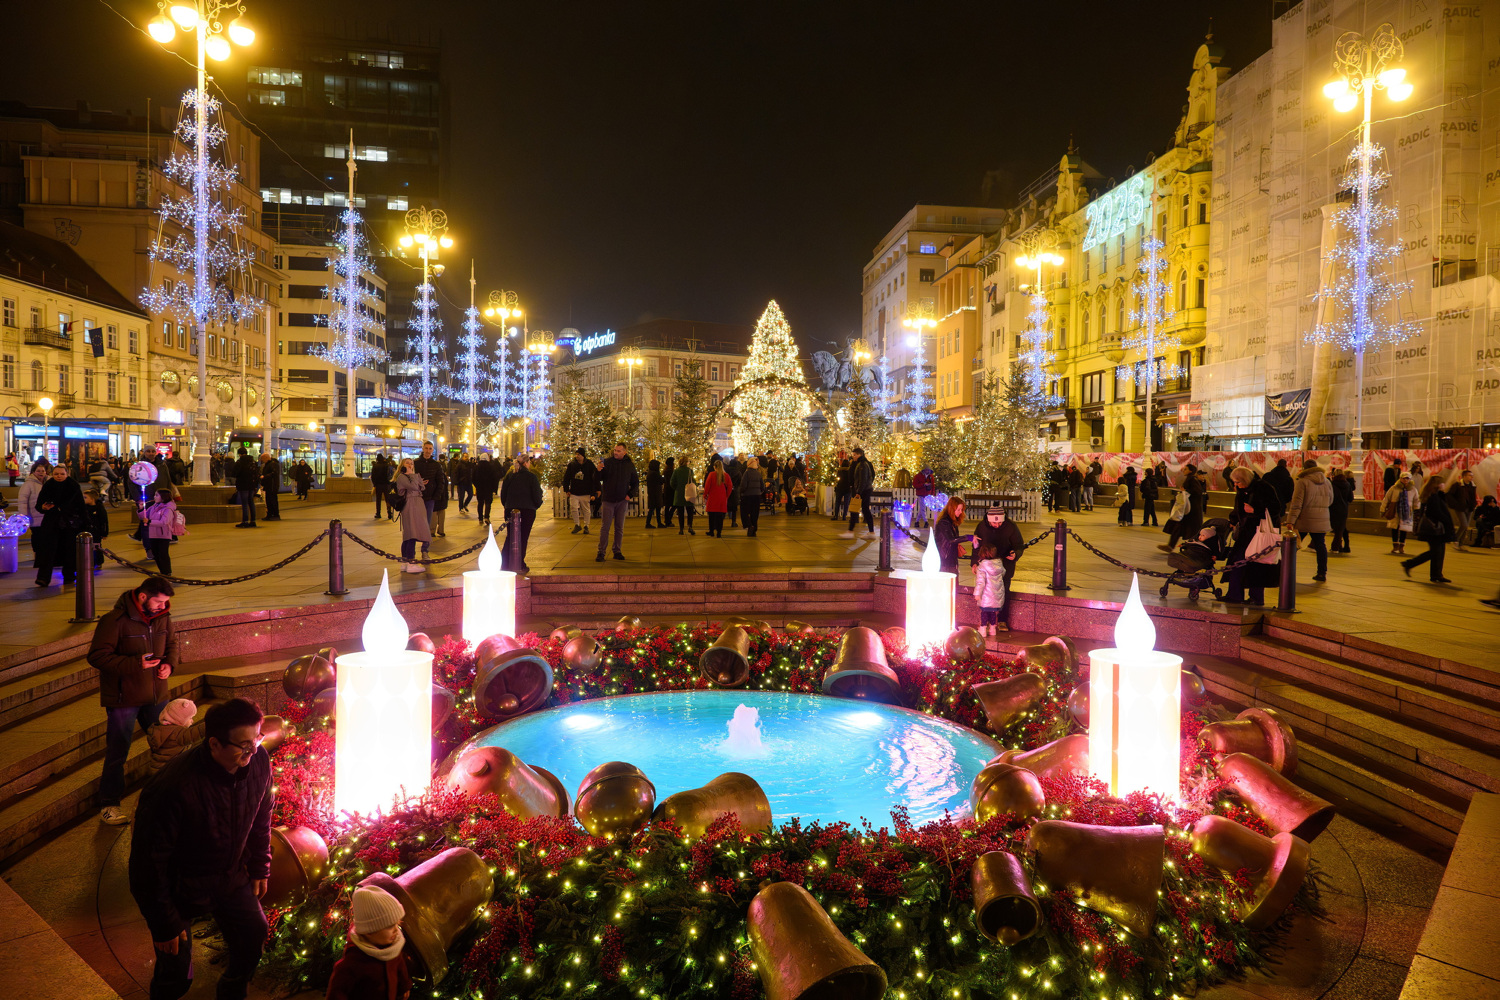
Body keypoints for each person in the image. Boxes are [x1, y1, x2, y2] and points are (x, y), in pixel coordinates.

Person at [128, 697, 271, 1000]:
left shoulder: (258, 760)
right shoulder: (173, 787)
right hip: (179, 889)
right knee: (176, 973)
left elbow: (261, 814)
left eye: (257, 739)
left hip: (229, 876)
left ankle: (231, 993)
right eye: (244, 745)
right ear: (214, 743)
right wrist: (164, 923)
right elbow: (148, 863)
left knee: (253, 934)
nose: (253, 750)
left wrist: (260, 864)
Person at [87, 576, 178, 825]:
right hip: (123, 697)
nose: (163, 606)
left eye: (165, 602)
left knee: (168, 745)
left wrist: (170, 664)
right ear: (143, 597)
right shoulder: (114, 620)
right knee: (118, 751)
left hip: (156, 695)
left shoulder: (163, 617)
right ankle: (109, 803)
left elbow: (172, 643)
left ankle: (170, 797)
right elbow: (97, 657)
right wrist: (136, 663)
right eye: (159, 602)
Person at [325, 884, 414, 1000]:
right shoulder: (352, 964)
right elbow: (337, 992)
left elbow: (399, 966)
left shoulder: (392, 947)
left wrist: (404, 986)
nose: (396, 930)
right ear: (370, 931)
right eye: (389, 926)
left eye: (396, 924)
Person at [1222, 467, 1282, 607]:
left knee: (1256, 564)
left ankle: (1255, 597)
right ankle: (1235, 595)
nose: (1236, 485)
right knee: (1238, 562)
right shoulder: (1242, 490)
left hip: (1259, 533)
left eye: (1238, 482)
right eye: (1234, 482)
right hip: (1246, 532)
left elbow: (1276, 509)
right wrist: (1233, 521)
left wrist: (1255, 510)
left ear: (1245, 480)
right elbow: (1238, 508)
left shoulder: (1264, 488)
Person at [35, 463, 85, 587]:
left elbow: (81, 506)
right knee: (48, 550)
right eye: (56, 474)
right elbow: (39, 504)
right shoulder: (48, 485)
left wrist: (85, 522)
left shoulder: (73, 486)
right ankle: (43, 578)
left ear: (67, 474)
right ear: (52, 474)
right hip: (51, 522)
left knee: (69, 550)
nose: (59, 476)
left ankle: (69, 575)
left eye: (62, 474)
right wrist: (43, 507)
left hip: (69, 523)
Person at [1283, 459, 1332, 582]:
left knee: (1292, 546)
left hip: (1304, 519)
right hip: (1322, 518)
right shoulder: (1327, 482)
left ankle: (1285, 572)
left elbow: (1296, 503)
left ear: (1305, 469)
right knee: (1320, 545)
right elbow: (1331, 500)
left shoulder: (1302, 482)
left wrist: (1290, 521)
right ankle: (1322, 573)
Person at [1403, 479, 1454, 584]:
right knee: (1436, 552)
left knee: (1438, 552)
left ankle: (1436, 575)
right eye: (1442, 483)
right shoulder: (1433, 497)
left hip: (1435, 529)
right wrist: (1447, 521)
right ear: (1437, 484)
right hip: (1434, 529)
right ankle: (1410, 564)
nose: (1444, 484)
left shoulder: (1435, 495)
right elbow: (1437, 512)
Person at [499, 453, 544, 573]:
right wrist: (536, 505)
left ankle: (505, 563)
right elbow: (537, 495)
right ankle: (519, 563)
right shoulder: (531, 477)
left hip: (511, 509)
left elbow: (503, 494)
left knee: (510, 537)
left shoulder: (510, 476)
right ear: (526, 463)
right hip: (527, 510)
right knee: (523, 537)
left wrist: (507, 506)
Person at [595, 442, 639, 562]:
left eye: (619, 451)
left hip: (621, 500)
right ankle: (601, 552)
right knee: (605, 527)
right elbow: (597, 478)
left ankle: (617, 550)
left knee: (619, 527)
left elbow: (635, 482)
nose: (616, 452)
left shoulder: (629, 465)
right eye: (615, 450)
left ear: (624, 452)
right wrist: (598, 470)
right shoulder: (607, 462)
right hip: (608, 499)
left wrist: (629, 495)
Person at [971, 504, 1024, 591]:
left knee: (1004, 591)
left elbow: (1019, 545)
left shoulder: (1011, 526)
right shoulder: (982, 526)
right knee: (986, 592)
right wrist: (974, 562)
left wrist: (1015, 554)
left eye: (1000, 522)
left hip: (1005, 566)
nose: (997, 525)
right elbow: (976, 546)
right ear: (989, 520)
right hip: (986, 567)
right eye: (994, 523)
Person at [394, 458, 430, 573]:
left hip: (416, 504)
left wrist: (417, 480)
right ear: (402, 465)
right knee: (411, 533)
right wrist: (413, 476)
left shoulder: (410, 477)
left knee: (411, 533)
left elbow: (422, 487)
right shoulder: (402, 477)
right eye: (407, 463)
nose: (410, 465)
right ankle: (410, 562)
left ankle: (405, 562)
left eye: (412, 463)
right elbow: (414, 487)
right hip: (410, 505)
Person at [1162, 464, 1205, 553]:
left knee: (1188, 529)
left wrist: (1185, 491)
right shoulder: (1190, 479)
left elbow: (1197, 492)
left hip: (1191, 511)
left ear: (1190, 471)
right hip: (1188, 510)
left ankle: (1193, 548)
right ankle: (1171, 546)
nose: (1183, 470)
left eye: (1185, 469)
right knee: (1179, 528)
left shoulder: (1192, 479)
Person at [148, 697, 198, 773]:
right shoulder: (176, 734)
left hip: (158, 770)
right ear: (178, 719)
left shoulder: (162, 729)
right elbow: (195, 733)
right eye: (190, 718)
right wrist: (211, 724)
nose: (192, 721)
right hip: (168, 772)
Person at [141, 487, 180, 575]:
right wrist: (141, 509)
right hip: (153, 534)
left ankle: (167, 572)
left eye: (157, 495)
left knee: (163, 554)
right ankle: (162, 572)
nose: (154, 497)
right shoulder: (153, 507)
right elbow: (144, 516)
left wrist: (150, 522)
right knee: (156, 554)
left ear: (163, 497)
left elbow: (164, 522)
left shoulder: (168, 508)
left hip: (163, 535)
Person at [973, 541, 1007, 637]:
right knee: (993, 612)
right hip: (997, 594)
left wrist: (977, 593)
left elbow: (980, 582)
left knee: (984, 612)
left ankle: (983, 629)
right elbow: (1003, 572)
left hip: (986, 595)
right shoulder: (999, 564)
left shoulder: (982, 566)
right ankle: (992, 629)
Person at [17, 461, 47, 566]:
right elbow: (22, 501)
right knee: (37, 537)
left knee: (46, 538)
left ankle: (44, 557)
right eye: (38, 471)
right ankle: (37, 557)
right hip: (35, 517)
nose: (41, 473)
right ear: (33, 472)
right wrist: (23, 516)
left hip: (46, 516)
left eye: (43, 471)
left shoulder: (48, 482)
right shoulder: (28, 484)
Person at [563, 448, 598, 534]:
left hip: (586, 491)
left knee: (586, 510)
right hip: (574, 491)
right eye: (576, 454)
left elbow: (594, 478)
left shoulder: (589, 464)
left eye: (579, 454)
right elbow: (567, 477)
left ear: (583, 455)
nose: (577, 456)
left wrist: (593, 492)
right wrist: (566, 489)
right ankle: (577, 524)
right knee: (573, 508)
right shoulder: (572, 465)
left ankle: (586, 526)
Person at [931, 497, 970, 574]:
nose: (961, 512)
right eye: (958, 510)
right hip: (945, 560)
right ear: (952, 509)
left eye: (962, 510)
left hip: (951, 558)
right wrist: (968, 537)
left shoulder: (952, 522)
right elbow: (951, 539)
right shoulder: (944, 522)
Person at [843, 446, 875, 537]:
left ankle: (851, 532)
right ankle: (870, 532)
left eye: (854, 455)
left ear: (859, 455)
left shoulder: (862, 465)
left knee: (856, 510)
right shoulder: (860, 463)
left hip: (863, 491)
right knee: (863, 510)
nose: (853, 457)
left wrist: (858, 492)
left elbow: (863, 479)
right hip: (864, 490)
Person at [1382, 472, 1418, 555]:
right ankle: (1395, 545)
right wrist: (1383, 509)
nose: (1405, 480)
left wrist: (1417, 510)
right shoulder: (1394, 488)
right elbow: (1386, 498)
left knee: (1404, 529)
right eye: (1404, 478)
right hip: (1395, 510)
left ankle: (1402, 545)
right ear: (1400, 478)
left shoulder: (1413, 489)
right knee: (1394, 527)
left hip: (1407, 512)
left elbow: (1416, 500)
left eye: (1407, 478)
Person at [702, 458, 733, 537]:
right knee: (720, 516)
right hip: (722, 498)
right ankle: (719, 532)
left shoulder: (711, 474)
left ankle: (711, 531)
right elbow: (730, 487)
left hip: (712, 497)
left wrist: (705, 495)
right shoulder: (726, 475)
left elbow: (707, 486)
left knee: (711, 516)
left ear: (714, 467)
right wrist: (726, 495)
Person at [414, 441, 442, 528]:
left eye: (430, 449)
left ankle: (425, 537)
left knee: (427, 521)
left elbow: (440, 481)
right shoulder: (415, 463)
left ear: (432, 450)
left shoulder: (436, 465)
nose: (428, 451)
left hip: (430, 497)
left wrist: (436, 496)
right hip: (417, 496)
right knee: (417, 521)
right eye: (426, 448)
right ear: (423, 449)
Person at [1448, 470, 1478, 550]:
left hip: (1469, 508)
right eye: (1469, 475)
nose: (1471, 477)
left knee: (1466, 526)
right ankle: (1455, 540)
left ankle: (1461, 544)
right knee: (1464, 524)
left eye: (1472, 475)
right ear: (1464, 476)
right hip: (1460, 508)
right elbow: (1450, 495)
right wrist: (1456, 504)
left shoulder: (1472, 485)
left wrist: (1474, 504)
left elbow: (1473, 496)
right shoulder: (1457, 485)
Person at [83, 487, 110, 571]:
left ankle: (98, 562)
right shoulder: (84, 508)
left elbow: (104, 521)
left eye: (85, 497)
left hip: (96, 531)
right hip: (87, 530)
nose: (83, 499)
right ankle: (89, 562)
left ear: (92, 499)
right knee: (86, 547)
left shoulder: (99, 508)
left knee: (96, 547)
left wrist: (104, 533)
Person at [737, 456, 765, 537]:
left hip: (747, 496)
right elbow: (762, 486)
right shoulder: (758, 474)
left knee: (744, 512)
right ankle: (754, 530)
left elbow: (743, 486)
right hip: (757, 496)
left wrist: (741, 492)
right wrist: (759, 492)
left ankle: (749, 525)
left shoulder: (746, 473)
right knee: (754, 513)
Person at [232, 448, 258, 528]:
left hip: (243, 485)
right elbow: (256, 473)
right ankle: (253, 521)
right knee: (251, 502)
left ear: (239, 454)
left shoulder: (240, 462)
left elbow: (235, 473)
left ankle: (245, 521)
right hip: (251, 485)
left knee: (244, 503)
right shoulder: (253, 462)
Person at [1329, 468, 1354, 553]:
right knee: (1341, 528)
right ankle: (1345, 546)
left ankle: (1336, 547)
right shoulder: (1347, 484)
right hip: (1344, 509)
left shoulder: (1332, 484)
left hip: (1333, 508)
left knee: (1336, 529)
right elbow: (1351, 498)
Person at [671, 455, 698, 535]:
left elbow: (672, 482)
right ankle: (690, 526)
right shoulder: (689, 471)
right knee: (690, 511)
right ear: (686, 462)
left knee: (680, 512)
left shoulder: (676, 471)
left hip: (679, 494)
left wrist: (677, 488)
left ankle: (681, 529)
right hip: (689, 494)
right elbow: (693, 481)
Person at [472, 454, 500, 525]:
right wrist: (494, 488)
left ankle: (480, 518)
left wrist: (477, 485)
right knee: (488, 503)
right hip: (488, 488)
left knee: (480, 503)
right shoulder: (491, 467)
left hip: (480, 488)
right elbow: (495, 478)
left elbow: (473, 478)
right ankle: (487, 517)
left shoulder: (476, 467)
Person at [259, 450, 282, 521]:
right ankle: (270, 514)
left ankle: (274, 514)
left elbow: (274, 474)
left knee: (272, 500)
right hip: (269, 485)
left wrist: (264, 476)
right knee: (269, 500)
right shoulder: (269, 464)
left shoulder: (273, 464)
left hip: (272, 485)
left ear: (266, 458)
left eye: (262, 459)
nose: (262, 461)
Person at [429, 460, 450, 538]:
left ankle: (432, 531)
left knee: (434, 513)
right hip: (443, 496)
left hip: (435, 496)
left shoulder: (432, 475)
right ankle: (441, 530)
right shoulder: (443, 475)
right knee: (441, 513)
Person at [643, 458, 664, 529]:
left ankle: (654, 523)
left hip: (652, 492)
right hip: (656, 493)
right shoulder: (655, 473)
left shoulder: (650, 473)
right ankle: (652, 523)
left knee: (653, 508)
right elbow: (661, 481)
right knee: (655, 508)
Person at [371, 454, 391, 519]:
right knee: (387, 499)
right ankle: (389, 512)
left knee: (378, 500)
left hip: (378, 485)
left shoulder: (375, 466)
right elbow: (389, 475)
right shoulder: (386, 465)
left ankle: (378, 513)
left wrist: (374, 484)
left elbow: (373, 476)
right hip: (386, 484)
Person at [659, 457, 677, 529]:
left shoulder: (665, 471)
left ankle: (667, 520)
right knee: (674, 505)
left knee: (667, 506)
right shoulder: (671, 471)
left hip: (667, 489)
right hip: (671, 490)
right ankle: (668, 520)